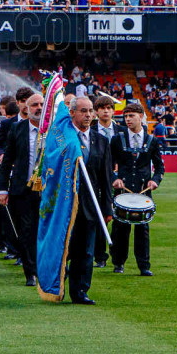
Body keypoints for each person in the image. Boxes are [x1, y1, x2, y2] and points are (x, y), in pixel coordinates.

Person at [68, 96, 113, 305]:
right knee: (65, 248)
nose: (88, 115)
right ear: (72, 113)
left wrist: (107, 207)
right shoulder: (64, 138)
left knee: (86, 250)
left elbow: (106, 178)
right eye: (83, 111)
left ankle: (81, 290)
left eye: (90, 111)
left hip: (90, 204)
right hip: (66, 203)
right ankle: (58, 282)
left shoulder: (101, 141)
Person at [110, 102, 163, 277]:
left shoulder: (152, 141)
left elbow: (159, 167)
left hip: (142, 192)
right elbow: (108, 165)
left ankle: (144, 265)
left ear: (141, 117)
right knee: (120, 228)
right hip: (122, 191)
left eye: (131, 116)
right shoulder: (117, 139)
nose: (127, 119)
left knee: (142, 229)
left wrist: (155, 181)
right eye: (126, 116)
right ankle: (118, 262)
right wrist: (114, 179)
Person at [0, 92, 43, 286]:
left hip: (49, 191)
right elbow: (7, 161)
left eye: (41, 104)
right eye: (34, 105)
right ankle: (30, 272)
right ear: (26, 108)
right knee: (26, 232)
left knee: (46, 231)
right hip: (23, 190)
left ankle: (47, 269)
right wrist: (2, 189)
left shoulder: (53, 130)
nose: (38, 108)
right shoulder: (17, 129)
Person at [92, 95, 123, 268]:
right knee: (99, 217)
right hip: (97, 179)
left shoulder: (121, 131)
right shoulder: (90, 130)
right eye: (102, 108)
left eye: (109, 108)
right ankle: (100, 256)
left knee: (118, 220)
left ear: (113, 111)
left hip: (119, 180)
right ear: (96, 112)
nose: (105, 111)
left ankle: (117, 258)